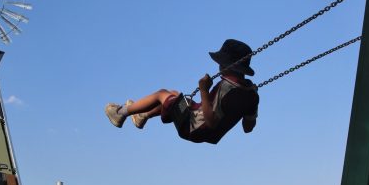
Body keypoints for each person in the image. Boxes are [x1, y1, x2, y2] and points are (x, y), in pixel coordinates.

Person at [104, 39, 260, 144]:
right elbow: (248, 127)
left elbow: (211, 122)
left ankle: (120, 114)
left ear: (227, 65)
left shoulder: (227, 89)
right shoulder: (252, 94)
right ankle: (142, 115)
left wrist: (204, 90)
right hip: (209, 132)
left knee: (162, 94)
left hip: (195, 127)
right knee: (174, 97)